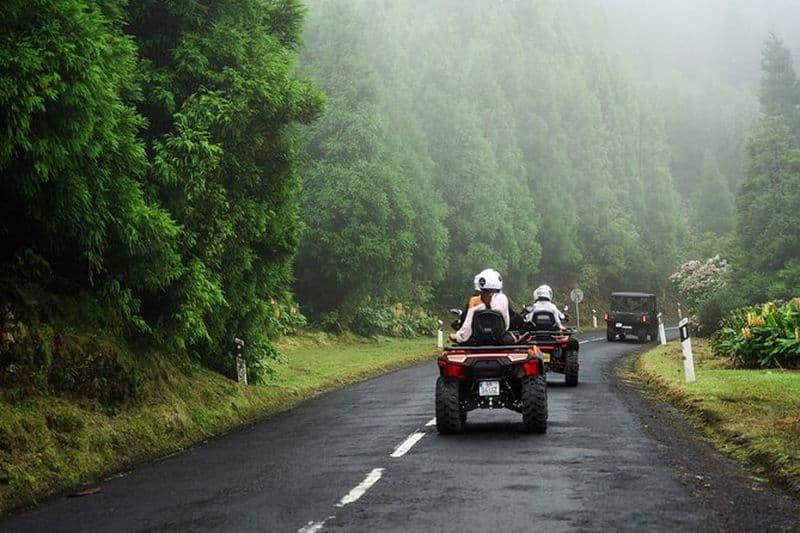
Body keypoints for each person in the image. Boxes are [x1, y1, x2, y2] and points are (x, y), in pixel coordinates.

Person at [450, 268, 512, 344]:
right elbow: (506, 325)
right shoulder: (503, 298)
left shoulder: (474, 301)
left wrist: (459, 337)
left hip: (477, 340)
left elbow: (467, 328)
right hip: (499, 340)